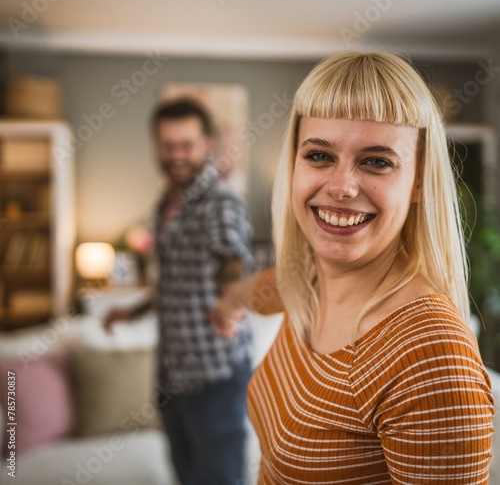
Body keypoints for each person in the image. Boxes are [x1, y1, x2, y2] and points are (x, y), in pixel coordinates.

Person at [210, 52, 495, 483]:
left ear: (418, 180)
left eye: (377, 161)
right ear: (294, 164)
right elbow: (267, 287)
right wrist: (228, 303)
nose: (341, 187)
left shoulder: (432, 356)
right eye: (319, 156)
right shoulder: (310, 280)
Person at [103, 98, 255, 485]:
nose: (177, 155)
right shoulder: (167, 205)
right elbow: (175, 283)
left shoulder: (219, 204)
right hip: (172, 374)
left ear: (206, 145)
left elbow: (231, 259)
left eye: (186, 145)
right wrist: (130, 312)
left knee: (219, 477)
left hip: (214, 377)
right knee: (185, 475)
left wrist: (230, 298)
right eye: (168, 146)